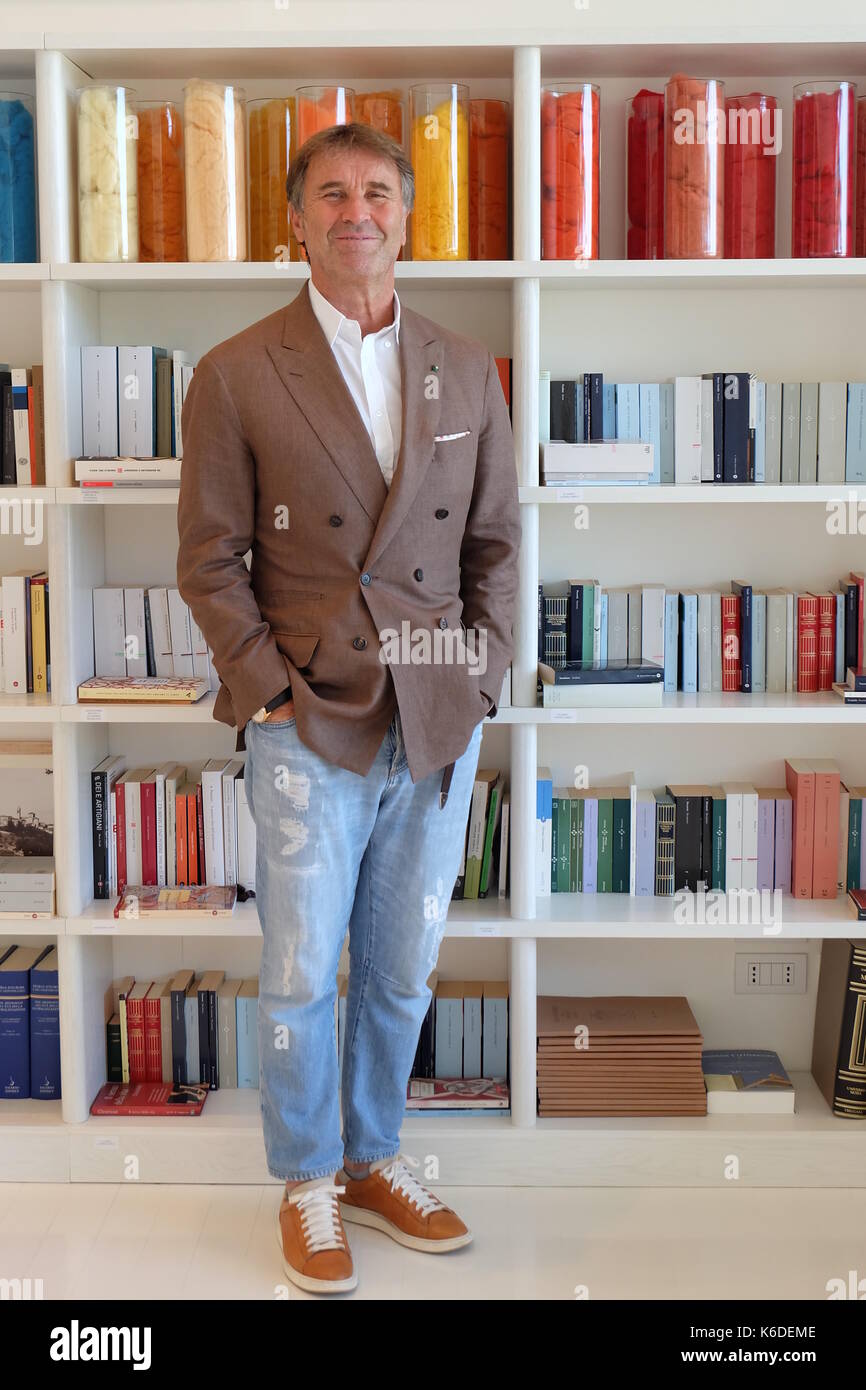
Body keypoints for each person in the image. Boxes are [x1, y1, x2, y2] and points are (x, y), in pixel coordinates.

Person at [176, 121, 521, 1295]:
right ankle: (305, 1177)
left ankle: (373, 1158)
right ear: (296, 218)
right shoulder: (235, 369)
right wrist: (265, 689)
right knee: (296, 971)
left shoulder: (465, 368)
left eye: (376, 190)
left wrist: (479, 678)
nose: (354, 210)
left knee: (400, 967)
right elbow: (210, 559)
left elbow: (496, 546)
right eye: (330, 192)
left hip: (433, 711)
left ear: (405, 215)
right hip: (305, 715)